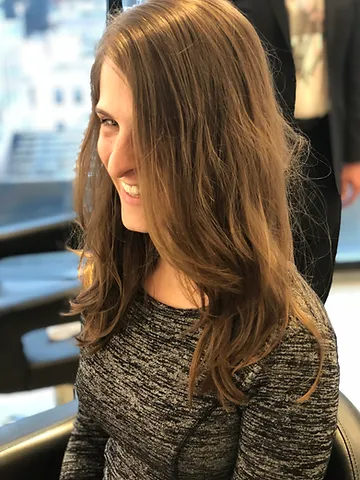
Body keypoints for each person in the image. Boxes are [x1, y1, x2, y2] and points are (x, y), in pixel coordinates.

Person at [60, 0, 339, 478]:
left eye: (152, 128)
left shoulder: (286, 343)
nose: (118, 161)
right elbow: (90, 436)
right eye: (109, 123)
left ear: (221, 140)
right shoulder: (128, 257)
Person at [233, 0, 360, 303]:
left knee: (320, 251)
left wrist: (353, 155)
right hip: (261, 142)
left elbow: (352, 71)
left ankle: (311, 331)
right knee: (263, 248)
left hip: (325, 142)